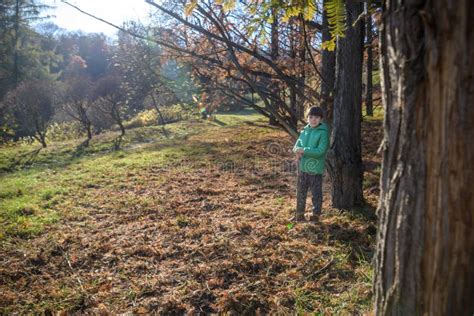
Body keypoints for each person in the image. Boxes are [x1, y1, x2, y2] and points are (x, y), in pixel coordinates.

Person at [292, 106, 329, 223]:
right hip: (303, 168)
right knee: (301, 192)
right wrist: (297, 150)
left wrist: (304, 150)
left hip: (315, 169)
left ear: (321, 119)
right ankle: (299, 215)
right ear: (307, 118)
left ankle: (315, 216)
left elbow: (320, 151)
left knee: (316, 193)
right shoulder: (304, 131)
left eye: (317, 117)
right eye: (311, 117)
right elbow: (296, 146)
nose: (313, 120)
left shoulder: (323, 133)